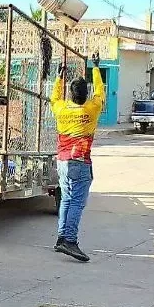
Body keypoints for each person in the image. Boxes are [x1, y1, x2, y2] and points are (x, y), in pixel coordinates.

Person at [50, 54, 105, 262]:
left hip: (62, 161)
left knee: (66, 198)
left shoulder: (62, 109)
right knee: (76, 203)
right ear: (85, 95)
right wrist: (96, 68)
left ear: (71, 95)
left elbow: (54, 98)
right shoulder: (92, 109)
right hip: (80, 162)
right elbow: (100, 92)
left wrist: (58, 78)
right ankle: (69, 240)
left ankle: (61, 237)